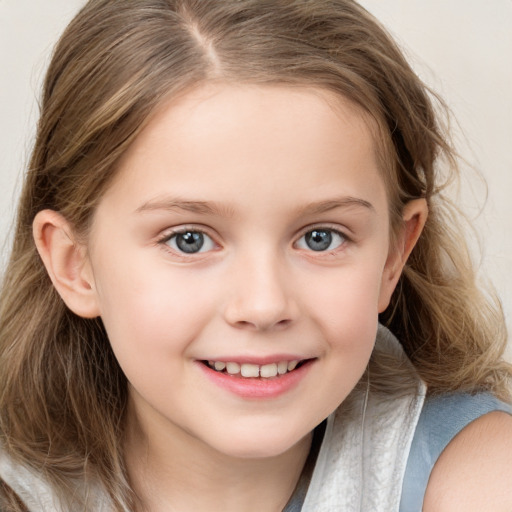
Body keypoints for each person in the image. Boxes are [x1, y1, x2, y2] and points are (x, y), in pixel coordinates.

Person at [0, 0, 511, 510]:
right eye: (189, 239)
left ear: (393, 257)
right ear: (75, 265)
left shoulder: (481, 480)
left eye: (320, 237)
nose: (264, 306)